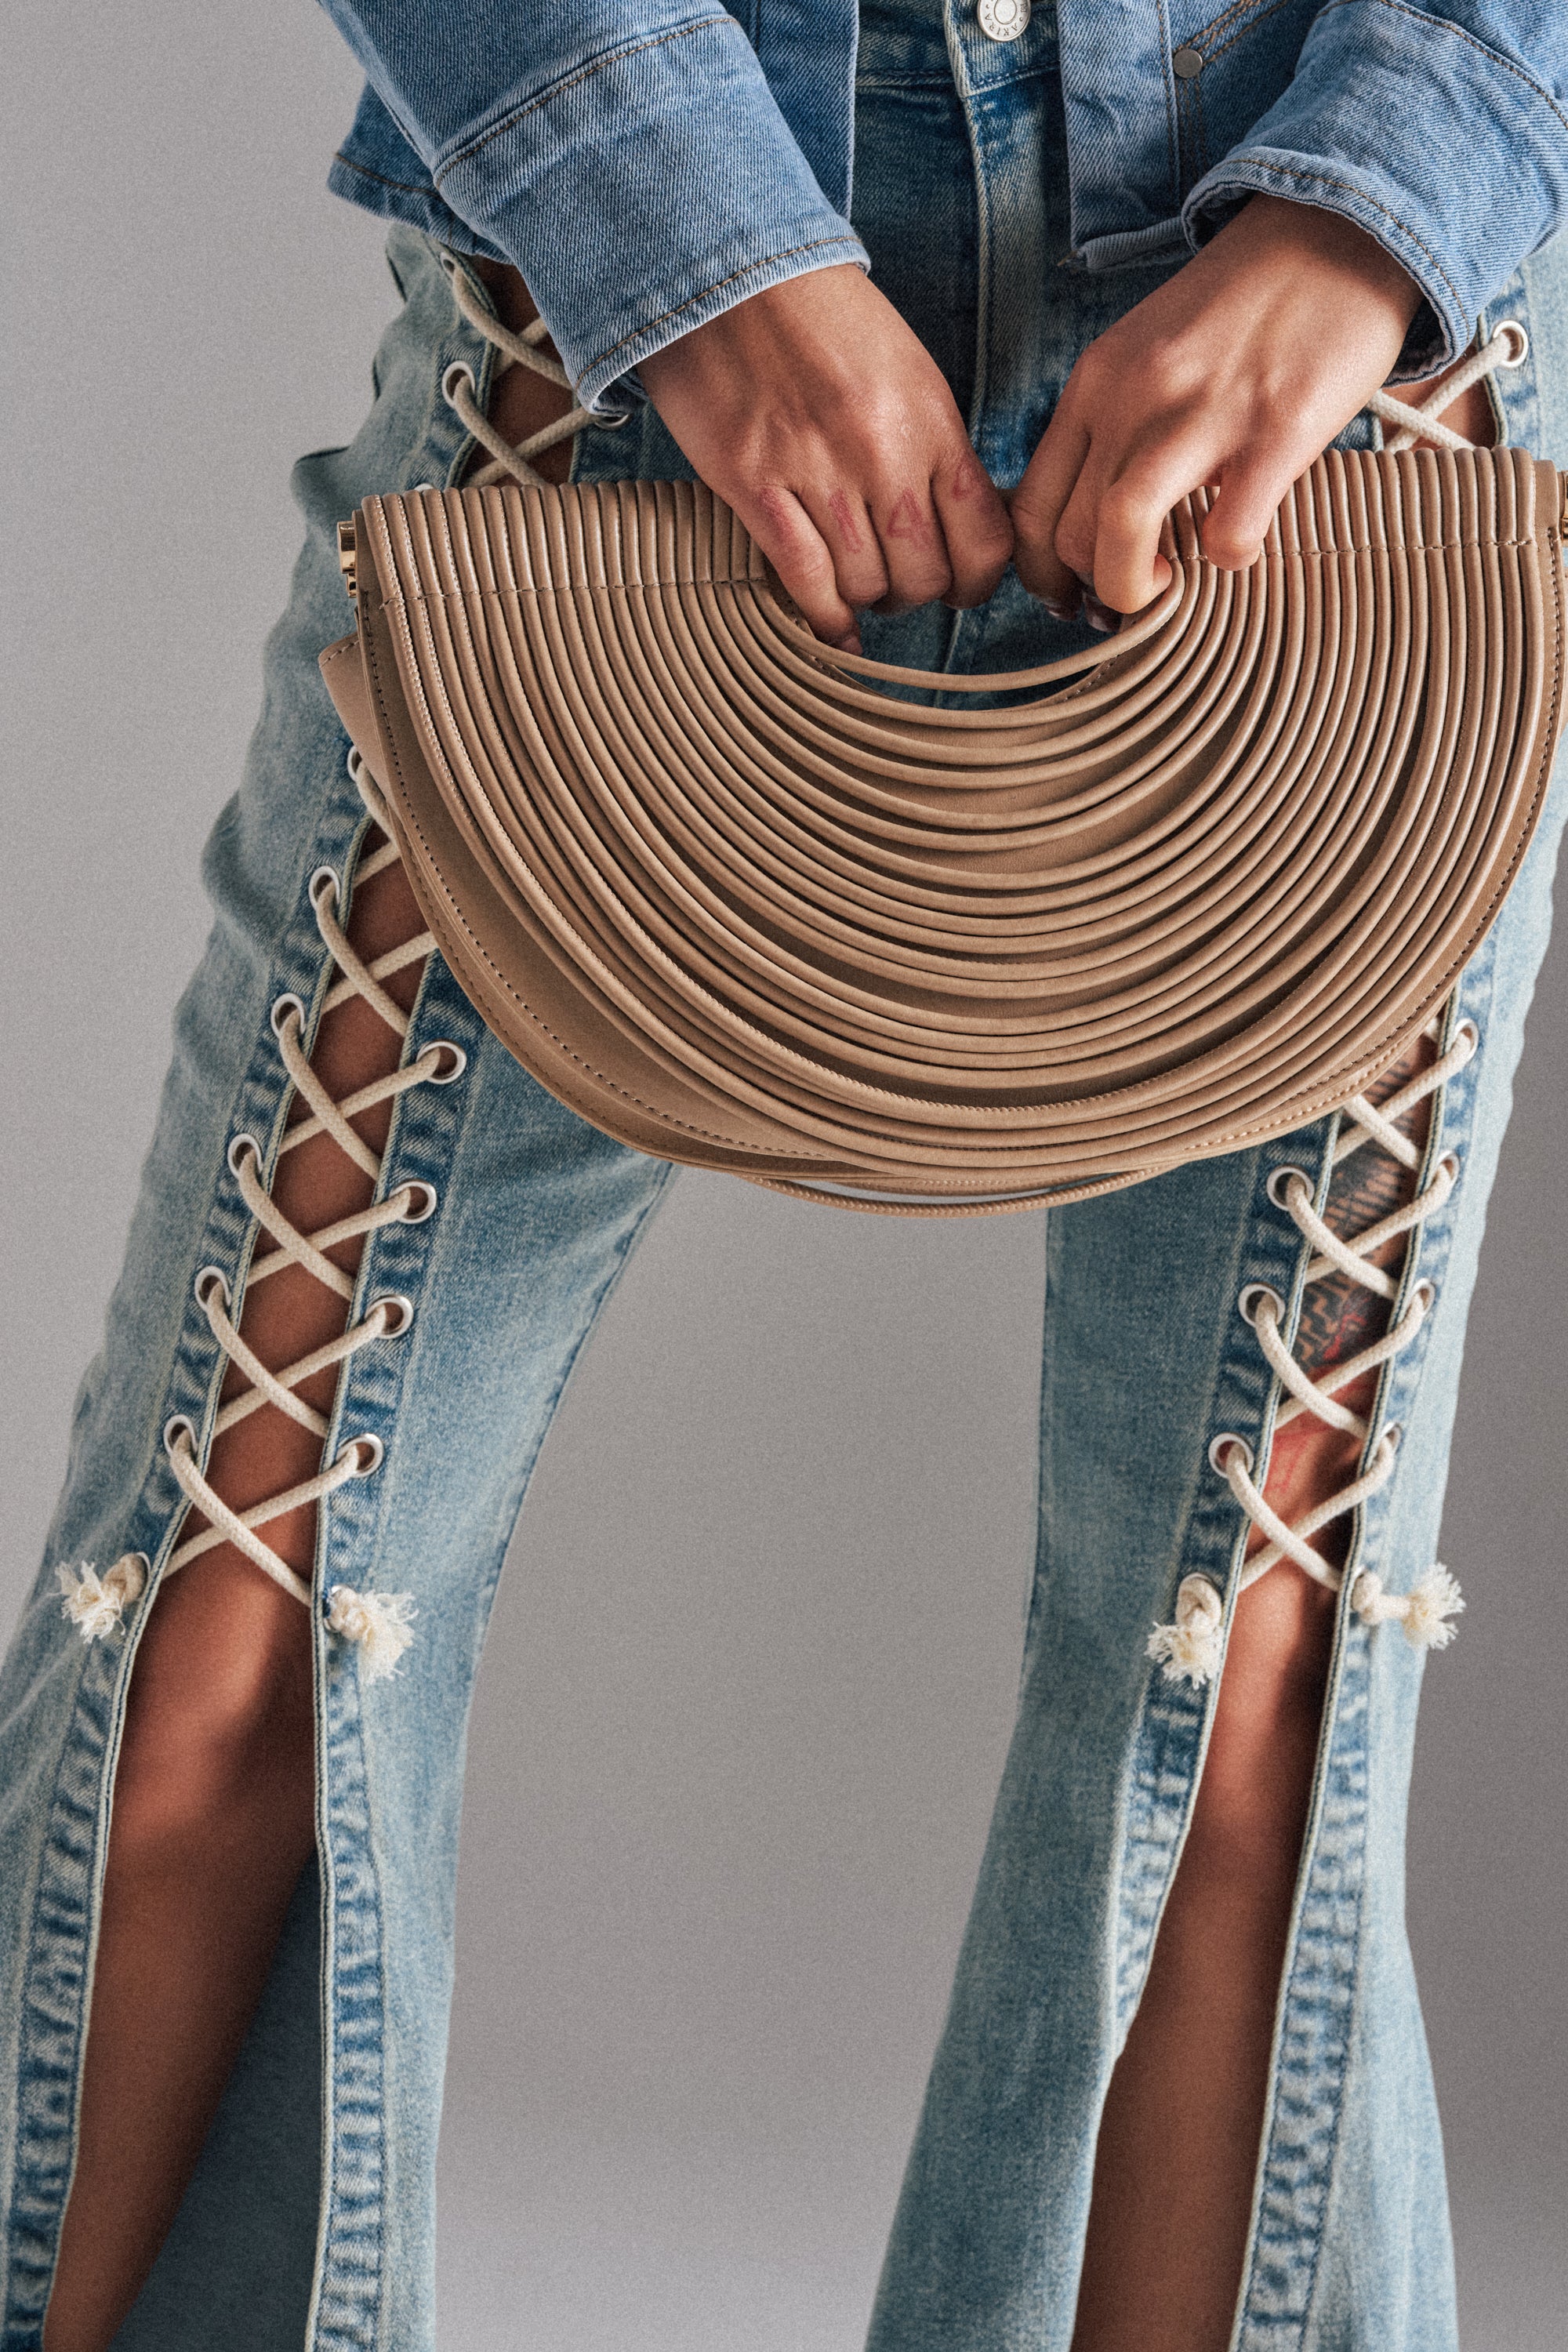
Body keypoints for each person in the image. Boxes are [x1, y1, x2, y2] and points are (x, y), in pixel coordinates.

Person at [4, 2, 1565, 2347]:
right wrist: (693, 234)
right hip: (613, 398)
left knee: (1240, 1714)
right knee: (229, 1611)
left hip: (1321, 433)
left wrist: (1391, 195)